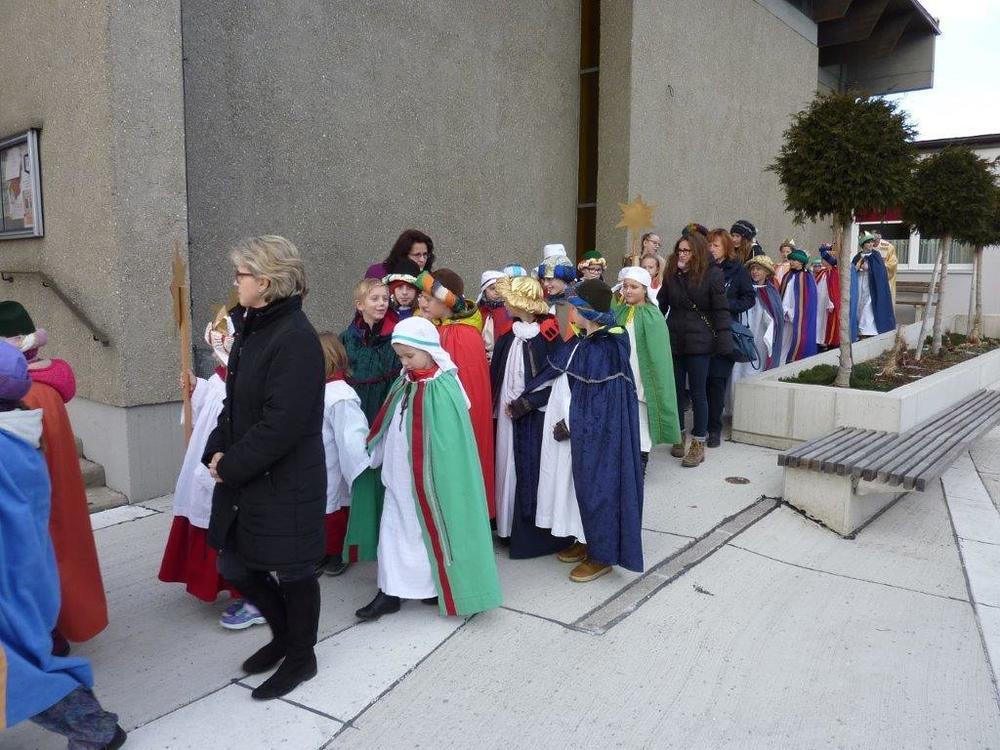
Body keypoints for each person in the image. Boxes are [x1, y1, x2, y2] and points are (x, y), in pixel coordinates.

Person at [203, 235, 326, 701]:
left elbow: (282, 425)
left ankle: (301, 656)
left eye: (242, 274)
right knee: (234, 564)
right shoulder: (253, 327)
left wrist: (230, 466)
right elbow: (234, 403)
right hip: (250, 475)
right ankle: (284, 638)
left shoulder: (294, 339)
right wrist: (215, 449)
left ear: (267, 282)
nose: (235, 282)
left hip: (284, 481)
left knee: (294, 571)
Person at [0, 340, 126, 750]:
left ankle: (96, 729)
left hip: (9, 579)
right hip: (24, 573)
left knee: (18, 670)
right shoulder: (19, 431)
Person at [354, 317, 502, 620]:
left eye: (409, 356)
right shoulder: (404, 381)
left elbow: (453, 440)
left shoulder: (444, 385)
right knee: (395, 531)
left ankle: (433, 588)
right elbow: (388, 421)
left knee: (429, 532)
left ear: (429, 349)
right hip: (398, 477)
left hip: (431, 480)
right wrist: (374, 452)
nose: (404, 362)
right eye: (400, 357)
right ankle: (390, 591)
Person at [0, 301, 108, 653]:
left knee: (38, 562)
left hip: (30, 500)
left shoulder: (23, 396)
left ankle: (48, 630)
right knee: (64, 554)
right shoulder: (46, 386)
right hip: (56, 491)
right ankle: (66, 621)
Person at [521, 279, 644, 582]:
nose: (570, 313)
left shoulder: (607, 348)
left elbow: (603, 405)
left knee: (596, 486)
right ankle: (583, 537)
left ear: (588, 312)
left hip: (592, 435)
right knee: (574, 487)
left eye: (574, 308)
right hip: (571, 430)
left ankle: (601, 554)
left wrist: (574, 424)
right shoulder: (584, 340)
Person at [158, 307, 263, 629]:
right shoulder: (221, 379)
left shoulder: (249, 380)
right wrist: (194, 388)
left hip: (235, 464)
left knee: (237, 527)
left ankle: (254, 597)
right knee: (211, 520)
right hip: (208, 461)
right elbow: (207, 409)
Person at [491, 276, 569, 557]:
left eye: (509, 300)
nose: (505, 304)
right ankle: (506, 528)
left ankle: (529, 534)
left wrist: (528, 403)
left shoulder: (548, 336)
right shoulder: (507, 336)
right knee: (505, 466)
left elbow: (558, 380)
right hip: (505, 418)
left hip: (535, 419)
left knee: (530, 471)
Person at [415, 268, 496, 518]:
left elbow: (465, 393)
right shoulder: (440, 329)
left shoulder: (459, 335)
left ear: (446, 301)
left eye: (428, 298)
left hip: (454, 425)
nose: (421, 302)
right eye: (421, 296)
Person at [657, 233, 732, 467]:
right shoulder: (672, 272)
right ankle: (678, 435)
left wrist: (724, 340)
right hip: (675, 338)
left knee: (699, 393)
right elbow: (662, 304)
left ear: (697, 252)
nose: (681, 254)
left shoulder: (712, 274)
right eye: (679, 250)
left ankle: (699, 443)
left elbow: (721, 310)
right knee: (677, 392)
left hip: (701, 342)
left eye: (686, 251)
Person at [341, 278, 401, 565]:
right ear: (360, 304)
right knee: (356, 473)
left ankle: (384, 539)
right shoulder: (347, 338)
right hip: (355, 410)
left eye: (385, 299)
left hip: (384, 407)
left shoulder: (395, 336)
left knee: (383, 473)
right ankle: (354, 540)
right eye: (374, 299)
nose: (381, 304)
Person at [612, 266, 681, 474]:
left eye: (634, 287)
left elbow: (659, 354)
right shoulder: (620, 311)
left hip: (642, 376)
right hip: (621, 373)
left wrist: (650, 380)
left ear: (644, 289)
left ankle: (641, 462)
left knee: (641, 419)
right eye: (625, 286)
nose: (628, 290)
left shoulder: (653, 315)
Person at [316, 333, 371, 578]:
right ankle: (322, 551)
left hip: (333, 462)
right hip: (317, 461)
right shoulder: (318, 389)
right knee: (321, 505)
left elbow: (352, 436)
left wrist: (357, 466)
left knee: (333, 505)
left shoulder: (340, 395)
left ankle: (337, 552)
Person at [704, 229, 755, 448]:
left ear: (726, 247)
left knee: (717, 381)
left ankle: (714, 429)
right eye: (709, 245)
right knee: (701, 381)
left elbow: (749, 298)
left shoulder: (737, 269)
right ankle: (701, 425)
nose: (711, 249)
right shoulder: (701, 268)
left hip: (725, 332)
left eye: (715, 245)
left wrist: (727, 305)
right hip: (701, 332)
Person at [734, 255, 784, 376]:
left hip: (761, 334)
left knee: (757, 360)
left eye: (758, 269)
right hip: (743, 331)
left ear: (766, 272)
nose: (754, 272)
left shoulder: (771, 291)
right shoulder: (744, 289)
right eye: (753, 269)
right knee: (739, 364)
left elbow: (775, 315)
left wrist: (770, 327)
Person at [851, 232, 896, 341]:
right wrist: (856, 268)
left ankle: (867, 330)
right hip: (859, 283)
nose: (871, 244)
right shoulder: (857, 256)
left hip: (872, 286)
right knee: (860, 305)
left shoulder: (876, 255)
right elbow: (853, 269)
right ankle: (859, 330)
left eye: (872, 242)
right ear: (863, 245)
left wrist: (869, 268)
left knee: (868, 306)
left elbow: (880, 271)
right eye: (868, 242)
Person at [779, 247, 819, 363]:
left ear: (801, 262)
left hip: (798, 315)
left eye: (794, 260)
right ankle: (781, 363)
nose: (791, 262)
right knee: (783, 341)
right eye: (791, 260)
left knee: (798, 339)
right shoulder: (787, 275)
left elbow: (809, 300)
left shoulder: (807, 277)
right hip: (785, 313)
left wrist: (795, 313)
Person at [536, 252, 577, 341]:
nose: (545, 284)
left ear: (564, 278)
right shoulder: (543, 303)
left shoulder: (577, 305)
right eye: (544, 279)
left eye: (549, 279)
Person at [365, 228, 434, 280]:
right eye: (417, 255)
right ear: (403, 255)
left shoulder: (429, 279)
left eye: (425, 255)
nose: (422, 260)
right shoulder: (377, 272)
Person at [477, 270, 514, 361]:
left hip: (504, 356)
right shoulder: (479, 311)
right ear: (484, 290)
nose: (497, 292)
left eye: (500, 288)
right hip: (483, 355)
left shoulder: (509, 311)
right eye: (492, 288)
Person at [814, 245, 840, 350]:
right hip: (819, 302)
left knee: (825, 322)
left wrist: (831, 302)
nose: (822, 261)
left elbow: (834, 290)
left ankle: (826, 341)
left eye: (823, 259)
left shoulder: (834, 273)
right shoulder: (822, 272)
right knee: (819, 320)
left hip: (827, 302)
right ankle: (818, 340)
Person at [384, 258, 422, 324]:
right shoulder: (384, 314)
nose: (404, 292)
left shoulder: (424, 316)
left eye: (410, 288)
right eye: (399, 287)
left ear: (417, 291)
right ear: (393, 290)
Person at [874, 231, 899, 302]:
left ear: (879, 237)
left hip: (885, 278)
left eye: (875, 240)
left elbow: (893, 263)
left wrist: (882, 265)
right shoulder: (868, 245)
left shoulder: (888, 247)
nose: (873, 243)